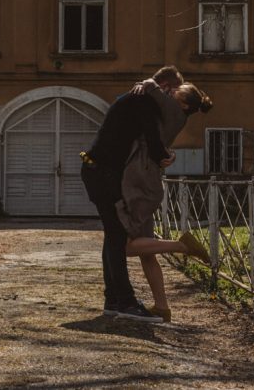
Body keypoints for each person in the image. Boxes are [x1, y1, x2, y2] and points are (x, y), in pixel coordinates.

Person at [79, 66, 184, 323]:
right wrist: (164, 157)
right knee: (117, 236)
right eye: (172, 94)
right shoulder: (143, 100)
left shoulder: (135, 97)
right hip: (103, 173)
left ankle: (113, 299)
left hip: (97, 171)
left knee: (113, 235)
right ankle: (124, 301)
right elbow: (151, 134)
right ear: (167, 88)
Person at [119, 82, 213, 322]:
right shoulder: (175, 113)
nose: (169, 92)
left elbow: (152, 87)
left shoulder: (173, 110)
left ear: (183, 103)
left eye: (175, 92)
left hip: (140, 180)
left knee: (126, 247)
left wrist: (146, 83)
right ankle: (162, 307)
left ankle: (182, 246)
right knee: (146, 252)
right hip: (147, 178)